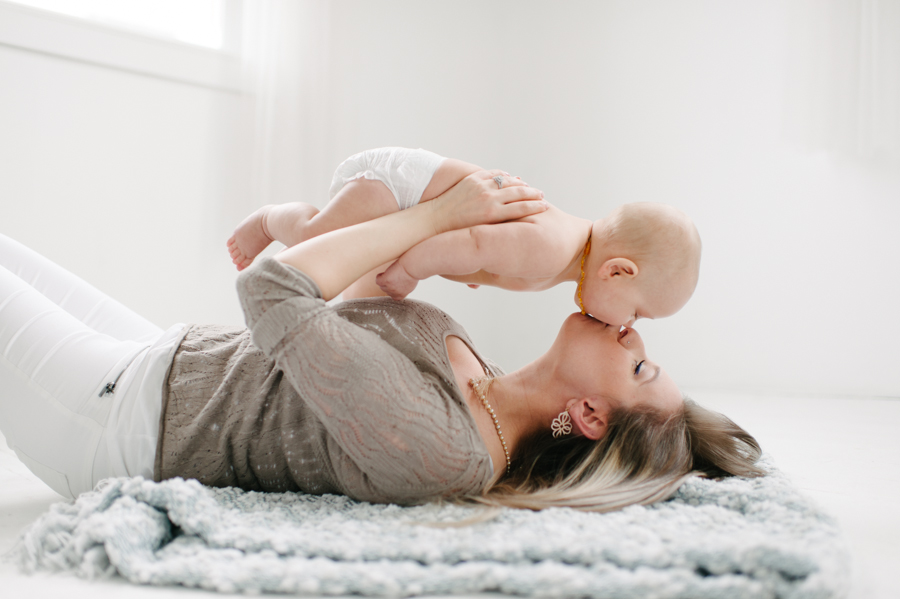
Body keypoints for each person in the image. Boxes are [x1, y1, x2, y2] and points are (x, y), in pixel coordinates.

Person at [0, 171, 761, 511]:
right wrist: (447, 212)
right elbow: (345, 281)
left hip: (116, 423)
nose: (630, 328)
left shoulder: (444, 446)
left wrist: (436, 220)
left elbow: (271, 291)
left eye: (641, 361)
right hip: (164, 359)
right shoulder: (479, 374)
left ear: (591, 414)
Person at [227, 147, 702, 328]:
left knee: (364, 308)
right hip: (403, 188)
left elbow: (482, 252)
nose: (629, 326)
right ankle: (270, 220)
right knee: (321, 238)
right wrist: (414, 269)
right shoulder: (553, 247)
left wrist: (471, 268)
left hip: (421, 213)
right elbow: (470, 243)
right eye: (638, 313)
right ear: (617, 270)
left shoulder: (565, 258)